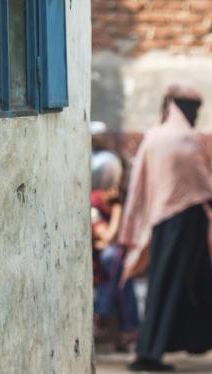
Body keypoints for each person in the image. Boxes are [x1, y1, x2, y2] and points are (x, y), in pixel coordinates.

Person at [119, 84, 212, 372]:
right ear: (183, 108)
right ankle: (152, 352)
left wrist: (135, 221)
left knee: (191, 283)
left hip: (163, 221)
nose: (195, 115)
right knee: (176, 284)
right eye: (193, 109)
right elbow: (203, 182)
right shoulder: (184, 139)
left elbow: (138, 184)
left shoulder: (153, 136)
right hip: (185, 221)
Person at [90, 122, 140, 351]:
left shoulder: (124, 195)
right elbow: (107, 237)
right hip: (99, 257)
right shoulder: (97, 200)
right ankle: (129, 328)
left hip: (117, 253)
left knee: (119, 263)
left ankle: (104, 313)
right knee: (115, 260)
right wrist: (117, 208)